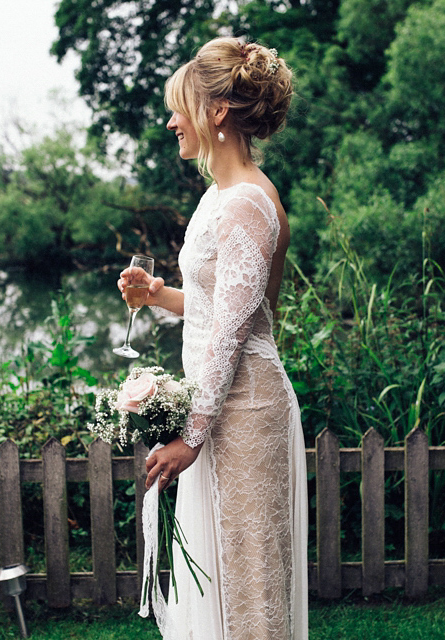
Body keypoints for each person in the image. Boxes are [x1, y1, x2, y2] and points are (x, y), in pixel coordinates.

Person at [118, 36, 308, 640]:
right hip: (219, 408)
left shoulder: (249, 201)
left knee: (248, 583)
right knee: (222, 581)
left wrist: (191, 438)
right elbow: (213, 307)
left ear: (217, 112)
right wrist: (158, 295)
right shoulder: (219, 196)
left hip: (245, 412)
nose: (171, 120)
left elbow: (230, 336)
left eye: (180, 107)